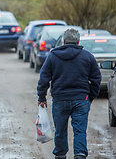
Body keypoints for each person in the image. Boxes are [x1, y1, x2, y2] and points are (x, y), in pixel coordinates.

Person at [37, 28, 101, 159]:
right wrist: (91, 97)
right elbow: (96, 79)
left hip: (60, 99)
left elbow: (44, 78)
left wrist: (42, 97)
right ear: (78, 41)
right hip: (81, 99)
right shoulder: (87, 56)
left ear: (64, 41)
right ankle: (80, 154)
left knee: (60, 130)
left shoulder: (53, 56)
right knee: (80, 130)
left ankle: (60, 155)